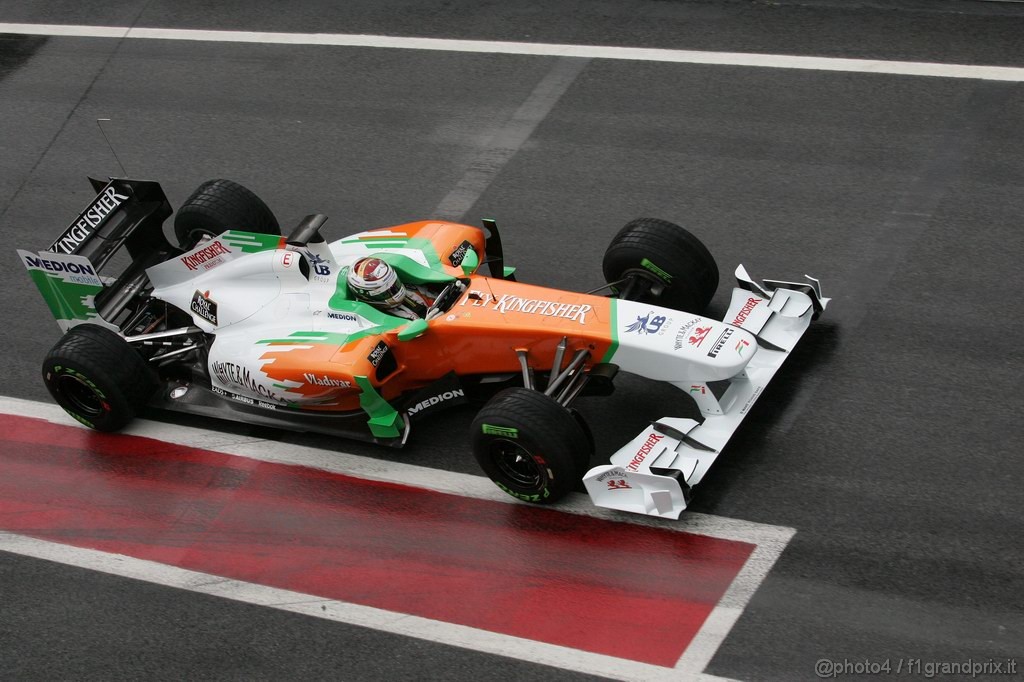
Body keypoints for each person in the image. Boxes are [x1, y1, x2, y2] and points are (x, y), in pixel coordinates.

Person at [346, 257, 429, 320]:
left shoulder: (413, 290)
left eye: (394, 284)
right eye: (384, 293)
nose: (394, 292)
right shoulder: (373, 318)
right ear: (365, 296)